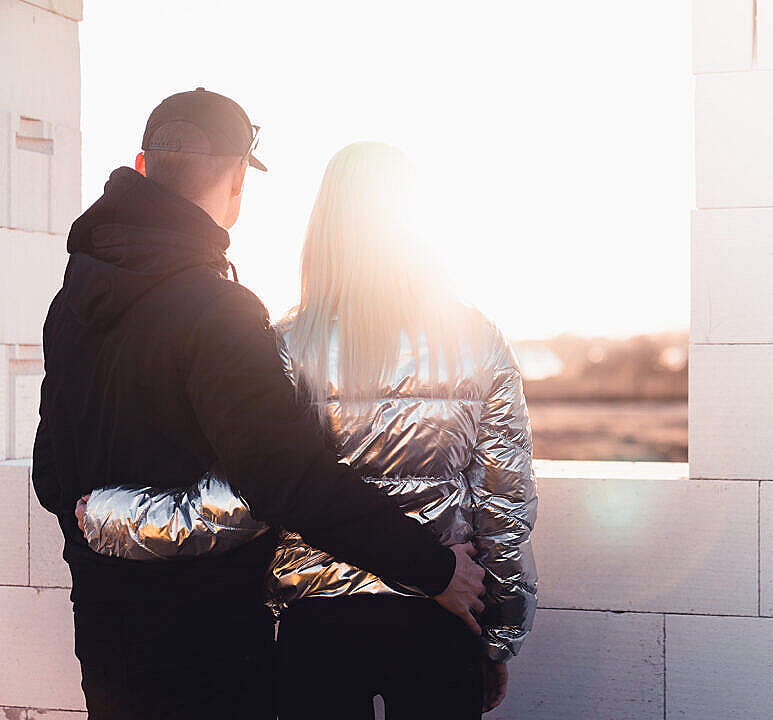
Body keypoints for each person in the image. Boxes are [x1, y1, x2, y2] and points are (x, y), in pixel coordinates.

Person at [33, 91, 486, 720]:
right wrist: (433, 568)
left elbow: (50, 473)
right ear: (239, 179)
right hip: (208, 643)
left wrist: (106, 531)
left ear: (141, 165)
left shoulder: (70, 303)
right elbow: (285, 480)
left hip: (105, 632)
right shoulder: (219, 311)